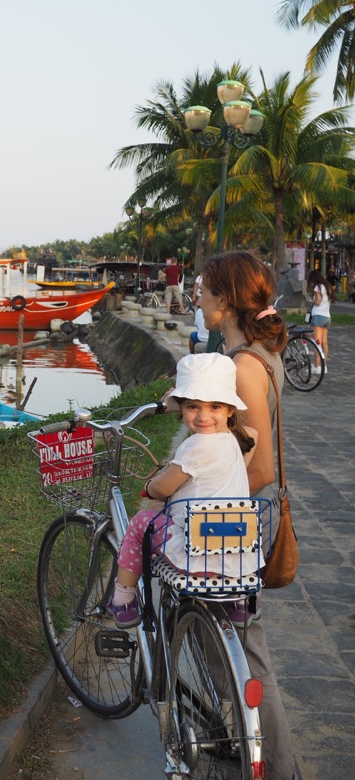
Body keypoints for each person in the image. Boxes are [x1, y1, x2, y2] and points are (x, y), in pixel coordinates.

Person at [199, 250, 298, 780]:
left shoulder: (245, 365)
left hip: (238, 519)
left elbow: (258, 467)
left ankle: (276, 766)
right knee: (231, 636)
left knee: (244, 647)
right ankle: (244, 737)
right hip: (243, 514)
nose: (198, 293)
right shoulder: (250, 353)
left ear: (227, 298)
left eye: (205, 287)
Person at [108, 353, 257, 629]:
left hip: (196, 554)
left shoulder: (197, 445)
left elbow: (165, 486)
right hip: (237, 557)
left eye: (214, 406)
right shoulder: (232, 441)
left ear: (229, 409)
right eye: (192, 407)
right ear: (182, 407)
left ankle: (123, 599)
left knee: (141, 523)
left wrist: (149, 487)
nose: (202, 416)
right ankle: (236, 604)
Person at [307, 269, 335, 373]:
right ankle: (324, 366)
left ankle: (317, 366)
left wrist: (311, 300)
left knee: (317, 342)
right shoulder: (328, 287)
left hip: (318, 316)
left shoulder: (317, 287)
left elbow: (318, 302)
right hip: (327, 317)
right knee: (324, 343)